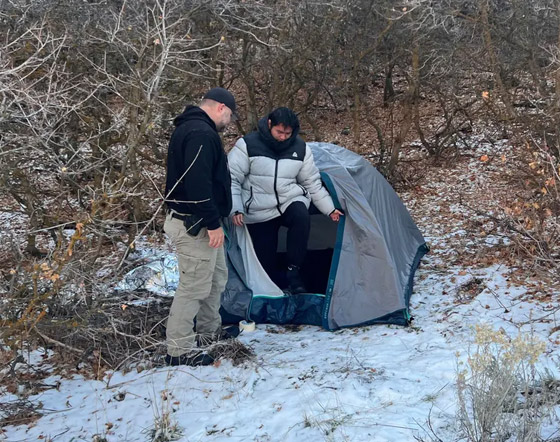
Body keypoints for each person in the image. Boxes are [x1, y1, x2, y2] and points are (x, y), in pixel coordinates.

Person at [228, 107, 343, 293]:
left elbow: (312, 182)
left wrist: (329, 209)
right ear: (269, 124)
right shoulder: (247, 145)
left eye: (287, 133)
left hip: (288, 200)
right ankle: (271, 286)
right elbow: (232, 178)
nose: (283, 137)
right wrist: (236, 208)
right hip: (258, 207)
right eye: (279, 132)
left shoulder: (300, 148)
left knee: (301, 215)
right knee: (265, 261)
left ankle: (294, 271)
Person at [163, 87, 239, 367]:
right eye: (229, 115)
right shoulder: (200, 134)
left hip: (204, 223)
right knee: (193, 287)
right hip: (195, 225)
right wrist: (212, 223)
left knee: (216, 278)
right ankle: (178, 350)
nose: (229, 122)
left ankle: (209, 332)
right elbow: (197, 186)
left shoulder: (195, 129)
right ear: (220, 107)